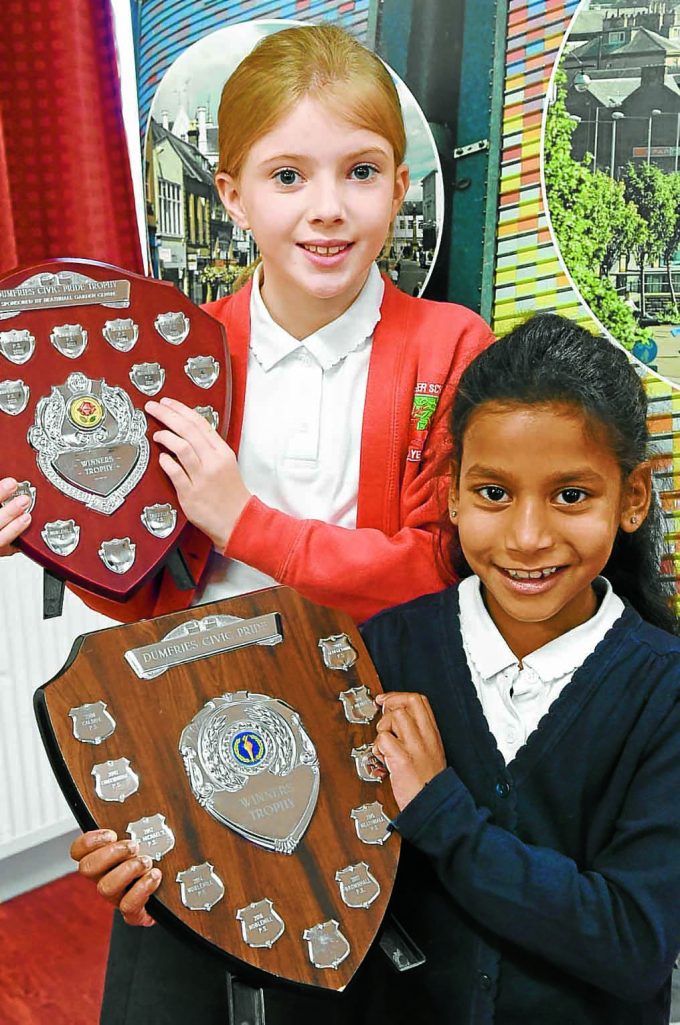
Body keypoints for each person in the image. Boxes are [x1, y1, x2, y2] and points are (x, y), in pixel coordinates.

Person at [0, 23, 492, 1025]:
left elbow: (434, 572)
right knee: (180, 980)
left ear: (399, 184)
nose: (326, 208)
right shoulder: (182, 347)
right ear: (230, 196)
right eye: (285, 176)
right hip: (194, 733)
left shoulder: (451, 345)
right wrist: (50, 532)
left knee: (364, 986)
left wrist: (245, 519)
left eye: (359, 171)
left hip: (373, 744)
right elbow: (152, 577)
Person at [359, 313, 680, 1023]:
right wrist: (169, 873)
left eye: (571, 495)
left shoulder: (665, 693)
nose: (528, 538)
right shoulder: (380, 652)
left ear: (631, 498)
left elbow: (633, 941)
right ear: (451, 493)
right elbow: (314, 869)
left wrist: (442, 811)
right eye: (494, 493)